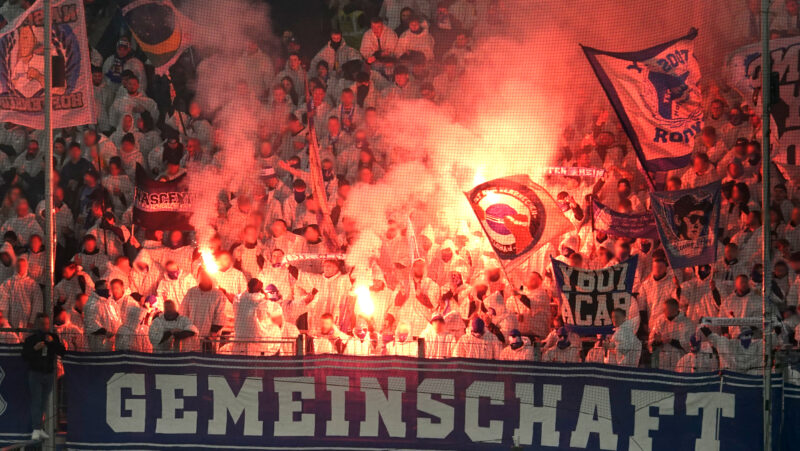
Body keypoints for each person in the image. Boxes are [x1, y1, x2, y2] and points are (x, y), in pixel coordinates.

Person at [22, 314, 65, 440]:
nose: (44, 327)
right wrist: (35, 348)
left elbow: (62, 351)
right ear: (36, 324)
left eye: (46, 324)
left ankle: (40, 427)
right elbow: (25, 355)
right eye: (42, 324)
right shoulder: (31, 340)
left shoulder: (53, 338)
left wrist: (52, 343)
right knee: (37, 401)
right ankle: (36, 428)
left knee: (44, 402)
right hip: (36, 373)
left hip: (49, 373)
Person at [648, 298, 692, 370]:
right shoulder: (660, 321)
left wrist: (671, 341)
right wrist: (657, 341)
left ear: (674, 310)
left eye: (665, 309)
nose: (663, 311)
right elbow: (651, 342)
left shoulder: (687, 323)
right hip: (662, 362)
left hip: (680, 362)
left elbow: (689, 346)